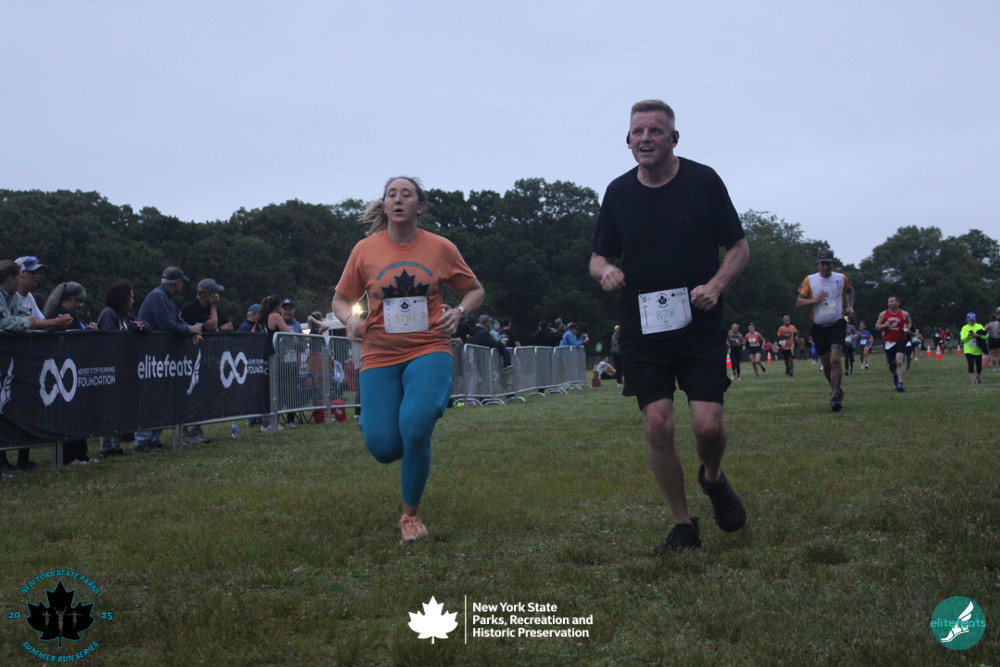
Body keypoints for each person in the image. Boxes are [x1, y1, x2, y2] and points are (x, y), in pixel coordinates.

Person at [589, 99, 750, 553]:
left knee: (707, 426)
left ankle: (712, 477)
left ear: (673, 138)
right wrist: (605, 271)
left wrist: (716, 286)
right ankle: (683, 525)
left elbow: (739, 248)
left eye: (655, 131)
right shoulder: (618, 192)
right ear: (627, 141)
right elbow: (598, 256)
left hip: (699, 324)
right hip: (642, 329)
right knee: (657, 424)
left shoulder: (703, 181)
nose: (645, 138)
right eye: (638, 131)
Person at [331, 176, 484, 544]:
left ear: (420, 206)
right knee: (384, 448)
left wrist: (460, 312)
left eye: (406, 194)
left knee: (415, 427)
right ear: (384, 205)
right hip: (379, 353)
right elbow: (340, 299)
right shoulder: (365, 250)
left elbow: (474, 290)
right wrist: (350, 319)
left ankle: (410, 517)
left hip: (429, 348)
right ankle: (389, 431)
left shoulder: (441, 248)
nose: (398, 200)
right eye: (391, 194)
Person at [134, 267, 204, 452]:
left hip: (160, 359)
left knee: (159, 399)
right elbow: (166, 324)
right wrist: (190, 330)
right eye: (182, 283)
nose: (182, 286)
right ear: (177, 283)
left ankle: (153, 439)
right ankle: (143, 440)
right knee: (151, 399)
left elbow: (178, 320)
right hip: (151, 359)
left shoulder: (167, 299)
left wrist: (191, 331)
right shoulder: (158, 297)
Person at [43, 282, 99, 464]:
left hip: (63, 370)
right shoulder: (66, 315)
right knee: (74, 415)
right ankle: (73, 455)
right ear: (74, 300)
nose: (79, 306)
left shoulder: (53, 313)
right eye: (79, 303)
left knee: (70, 414)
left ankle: (77, 454)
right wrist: (89, 333)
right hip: (67, 371)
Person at [796, 249, 854, 411]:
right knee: (826, 364)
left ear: (833, 264)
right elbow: (799, 302)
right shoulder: (810, 280)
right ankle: (837, 390)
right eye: (822, 263)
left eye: (828, 263)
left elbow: (850, 291)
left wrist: (850, 306)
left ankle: (835, 397)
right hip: (819, 327)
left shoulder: (841, 278)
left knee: (835, 359)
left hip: (837, 324)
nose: (825, 267)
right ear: (817, 264)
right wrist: (814, 300)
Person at [95, 280, 146, 457]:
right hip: (109, 368)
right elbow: (110, 338)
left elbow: (142, 323)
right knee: (109, 409)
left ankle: (115, 446)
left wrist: (140, 327)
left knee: (118, 409)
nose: (132, 300)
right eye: (130, 297)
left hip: (122, 368)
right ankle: (105, 447)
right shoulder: (108, 314)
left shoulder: (125, 315)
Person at [874, 296, 912, 392]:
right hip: (888, 341)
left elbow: (909, 322)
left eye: (892, 301)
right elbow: (877, 326)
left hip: (900, 340)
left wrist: (907, 328)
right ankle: (895, 376)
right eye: (889, 301)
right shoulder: (883, 314)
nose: (890, 303)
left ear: (898, 303)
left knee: (899, 361)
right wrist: (884, 325)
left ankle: (900, 384)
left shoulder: (904, 314)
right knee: (891, 365)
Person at [960, 312, 987, 384]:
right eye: (970, 320)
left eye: (973, 320)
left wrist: (978, 335)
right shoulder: (964, 328)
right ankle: (972, 379)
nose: (972, 321)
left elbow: (986, 336)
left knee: (979, 365)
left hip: (978, 349)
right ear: (967, 320)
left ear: (975, 319)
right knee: (970, 364)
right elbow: (962, 339)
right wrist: (968, 336)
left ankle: (978, 376)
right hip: (968, 350)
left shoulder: (979, 326)